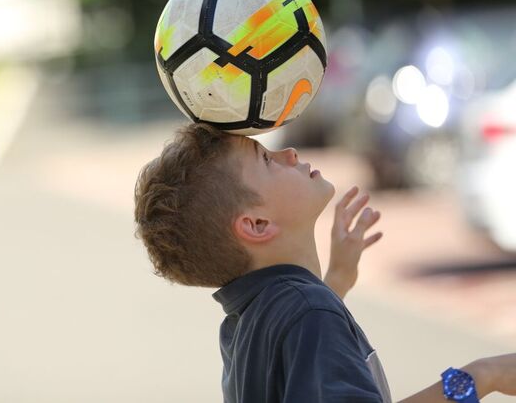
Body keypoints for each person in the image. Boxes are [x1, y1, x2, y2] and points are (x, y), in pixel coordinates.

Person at [133, 122, 516, 403]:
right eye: (266, 159)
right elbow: (307, 323)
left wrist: (336, 281)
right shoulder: (308, 312)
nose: (289, 154)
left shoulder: (242, 323)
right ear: (256, 223)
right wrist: (482, 375)